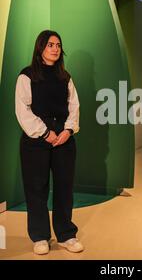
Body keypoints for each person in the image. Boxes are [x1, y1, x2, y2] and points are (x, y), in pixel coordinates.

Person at [15, 30, 84, 255]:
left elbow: (74, 106)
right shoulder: (26, 76)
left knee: (64, 187)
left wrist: (68, 130)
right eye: (50, 44)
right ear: (40, 48)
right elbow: (22, 110)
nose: (55, 48)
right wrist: (45, 133)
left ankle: (66, 235)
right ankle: (40, 236)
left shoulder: (65, 77)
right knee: (36, 189)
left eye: (58, 45)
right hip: (35, 142)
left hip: (64, 139)